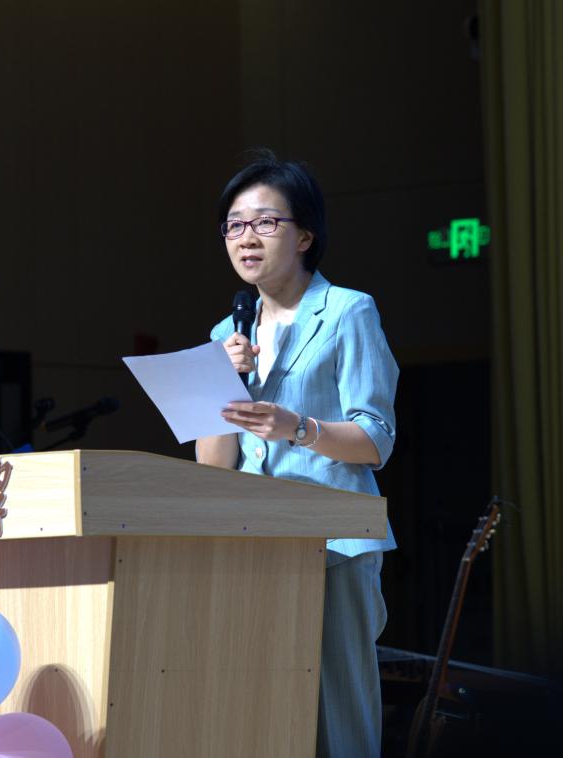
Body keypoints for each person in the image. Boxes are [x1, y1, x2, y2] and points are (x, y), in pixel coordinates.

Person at [196, 151, 398, 758]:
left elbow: (376, 438)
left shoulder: (348, 311)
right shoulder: (225, 334)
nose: (246, 238)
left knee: (341, 716)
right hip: (254, 543)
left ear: (305, 235)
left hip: (334, 542)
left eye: (265, 222)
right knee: (265, 717)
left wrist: (298, 428)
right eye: (234, 225)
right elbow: (214, 466)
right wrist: (220, 381)